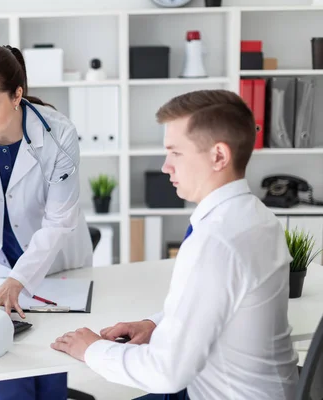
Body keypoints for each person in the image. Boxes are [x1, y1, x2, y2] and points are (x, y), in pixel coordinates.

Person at [51, 89, 300, 399]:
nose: (166, 166)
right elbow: (213, 306)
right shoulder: (256, 216)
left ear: (219, 156)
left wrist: (92, 349)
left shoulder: (217, 241)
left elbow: (165, 372)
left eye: (175, 152)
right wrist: (153, 324)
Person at [0, 44, 93, 400]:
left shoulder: (58, 134)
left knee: (48, 353)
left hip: (55, 262)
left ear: (17, 95)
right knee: (4, 356)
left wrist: (19, 280)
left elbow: (57, 222)